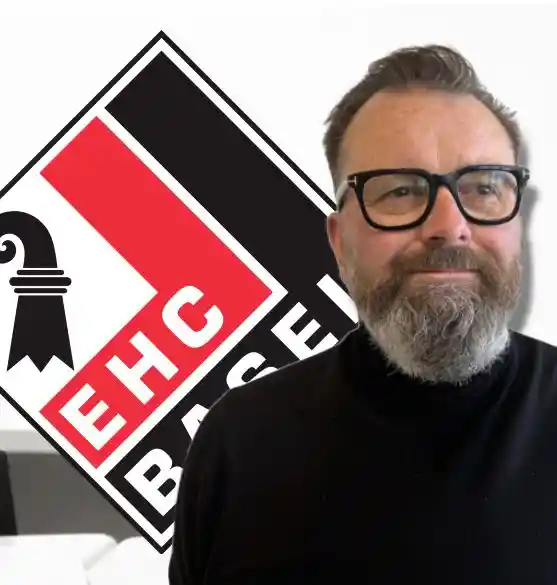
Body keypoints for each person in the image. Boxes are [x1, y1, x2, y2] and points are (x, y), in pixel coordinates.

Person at [168, 44, 557, 584]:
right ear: (339, 241)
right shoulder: (238, 443)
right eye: (400, 191)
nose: (449, 226)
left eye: (484, 188)